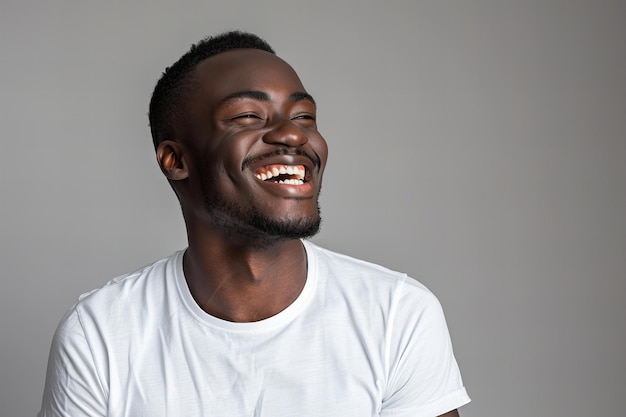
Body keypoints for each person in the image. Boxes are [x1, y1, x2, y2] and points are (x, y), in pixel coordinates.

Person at [38, 31, 471, 417]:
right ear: (177, 160)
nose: (294, 135)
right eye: (248, 116)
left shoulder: (398, 315)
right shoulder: (101, 334)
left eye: (304, 118)